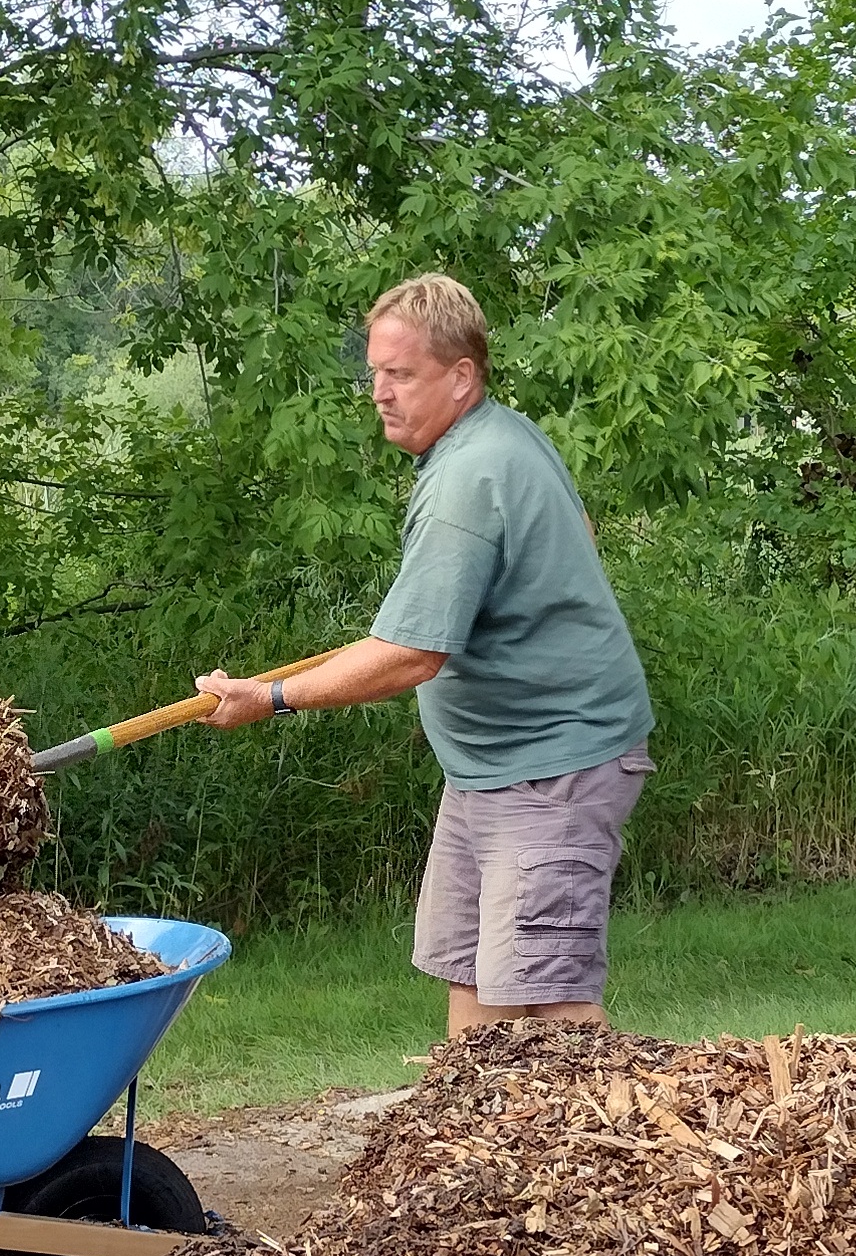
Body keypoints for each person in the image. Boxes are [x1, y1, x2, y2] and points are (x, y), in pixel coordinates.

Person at [197, 274, 654, 1032]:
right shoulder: (502, 435)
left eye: (400, 373)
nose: (379, 391)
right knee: (473, 979)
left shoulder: (470, 477)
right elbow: (576, 530)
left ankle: (618, 1145)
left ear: (461, 376)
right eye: (375, 371)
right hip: (490, 770)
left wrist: (270, 696)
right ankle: (463, 1146)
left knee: (549, 1008)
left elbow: (410, 655)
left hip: (553, 769)